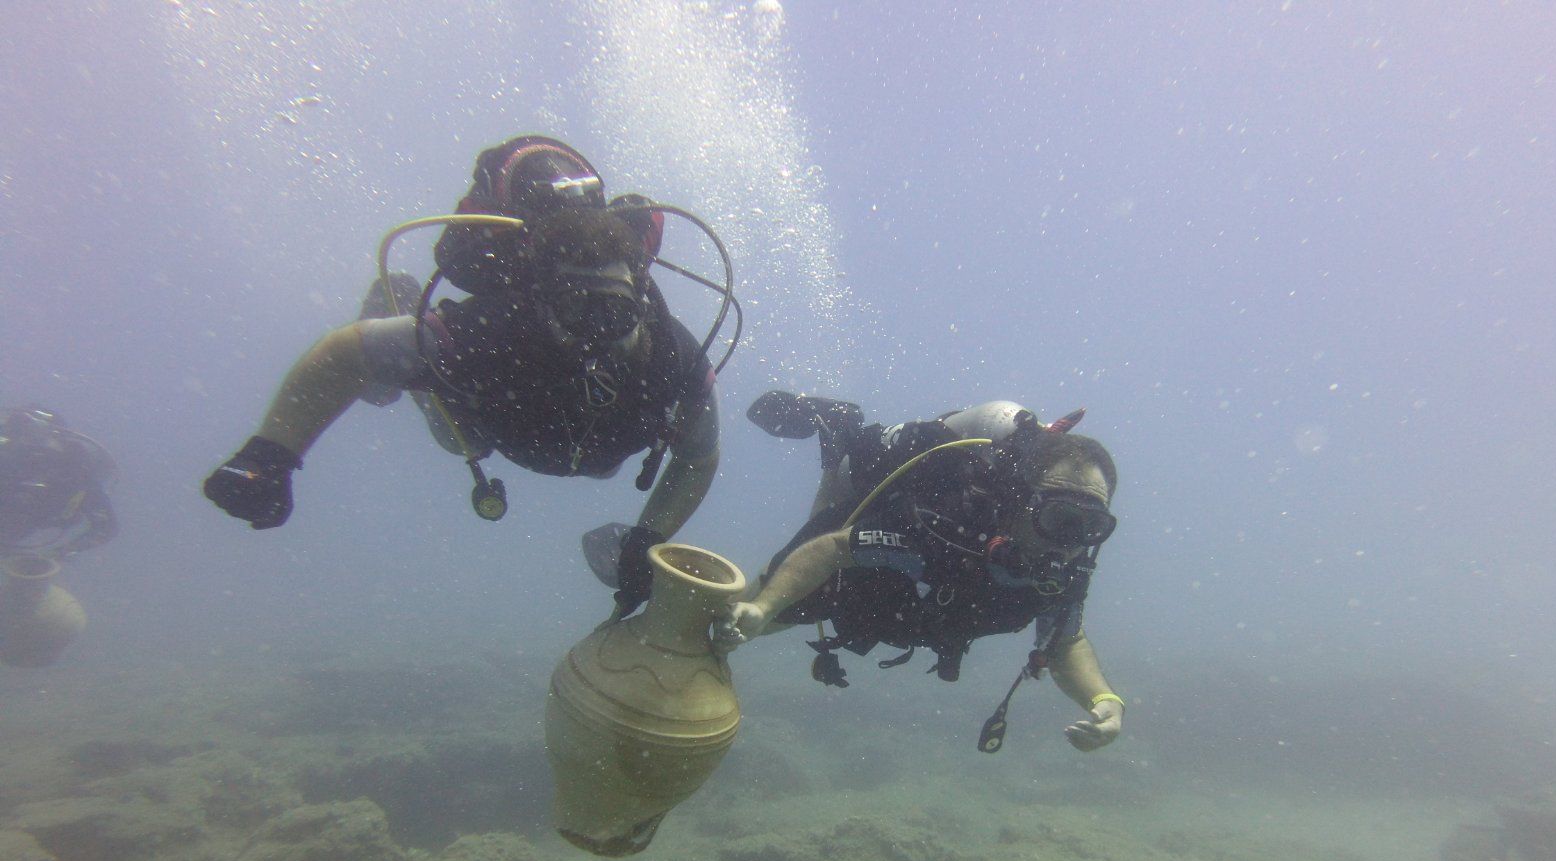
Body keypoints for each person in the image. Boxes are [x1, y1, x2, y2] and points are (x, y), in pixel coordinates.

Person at [203, 135, 727, 615]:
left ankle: (417, 347)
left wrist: (646, 538)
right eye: (577, 312)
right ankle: (400, 307)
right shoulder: (487, 331)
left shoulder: (674, 358)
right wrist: (271, 454)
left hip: (590, 445)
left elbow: (699, 457)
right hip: (488, 421)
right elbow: (346, 353)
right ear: (543, 302)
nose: (595, 336)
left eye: (614, 316)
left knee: (602, 466)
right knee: (457, 440)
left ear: (640, 297)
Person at [715, 392, 1124, 753]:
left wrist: (1103, 700)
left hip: (913, 604)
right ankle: (840, 430)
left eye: (1091, 528)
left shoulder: (1068, 567)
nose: (1068, 543)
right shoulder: (944, 526)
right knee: (761, 603)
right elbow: (832, 549)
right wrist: (764, 607)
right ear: (1020, 504)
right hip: (871, 578)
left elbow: (1066, 640)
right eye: (1059, 518)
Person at [0, 408, 117, 559]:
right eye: (26, 438)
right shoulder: (8, 457)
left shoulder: (76, 472)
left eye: (42, 440)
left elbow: (106, 527)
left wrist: (58, 554)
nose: (35, 451)